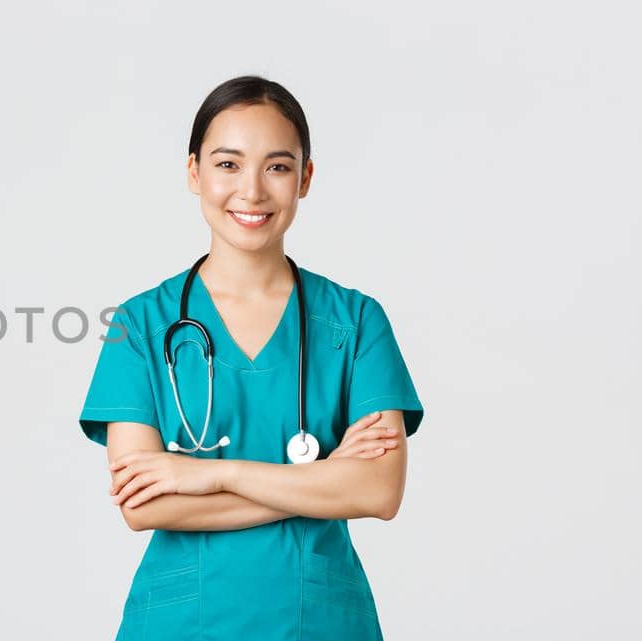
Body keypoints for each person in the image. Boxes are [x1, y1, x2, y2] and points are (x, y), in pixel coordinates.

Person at [77, 75, 425, 640]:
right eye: (228, 164)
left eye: (278, 166)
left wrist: (207, 476)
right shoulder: (139, 324)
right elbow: (144, 505)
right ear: (194, 172)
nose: (253, 192)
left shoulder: (356, 322)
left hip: (318, 622)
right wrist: (322, 478)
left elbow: (379, 492)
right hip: (181, 622)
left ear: (305, 178)